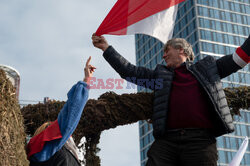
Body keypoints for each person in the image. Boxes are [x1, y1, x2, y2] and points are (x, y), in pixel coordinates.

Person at [92, 33, 250, 166]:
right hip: (167, 141)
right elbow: (129, 71)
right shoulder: (160, 75)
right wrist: (106, 48)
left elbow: (239, 58)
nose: (163, 55)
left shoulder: (208, 68)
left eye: (167, 50)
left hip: (201, 141)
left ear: (181, 50)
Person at [26, 56, 96, 166]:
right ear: (48, 134)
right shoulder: (48, 147)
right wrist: (86, 81)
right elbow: (69, 117)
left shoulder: (42, 153)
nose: (70, 136)